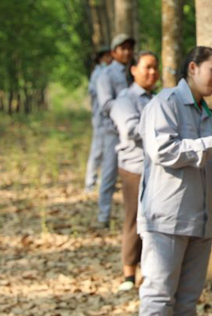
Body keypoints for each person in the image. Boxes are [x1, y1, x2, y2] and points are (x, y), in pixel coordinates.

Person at [137, 46, 212, 316]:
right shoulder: (166, 103)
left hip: (200, 221)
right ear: (193, 68)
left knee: (187, 301)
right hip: (166, 219)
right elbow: (162, 150)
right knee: (159, 298)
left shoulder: (209, 115)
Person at [109, 50, 160, 292]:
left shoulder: (158, 99)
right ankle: (128, 273)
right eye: (146, 67)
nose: (152, 72)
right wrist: (163, 130)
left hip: (158, 167)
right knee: (134, 218)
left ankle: (148, 270)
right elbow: (130, 129)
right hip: (134, 168)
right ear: (133, 70)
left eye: (155, 68)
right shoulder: (125, 99)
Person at [94, 33, 135, 227]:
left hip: (134, 132)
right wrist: (126, 111)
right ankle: (104, 216)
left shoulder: (133, 72)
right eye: (123, 48)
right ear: (114, 52)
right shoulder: (106, 75)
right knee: (109, 173)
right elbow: (106, 103)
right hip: (113, 131)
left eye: (129, 48)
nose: (127, 52)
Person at [84, 45, 113, 193]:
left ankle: (101, 181)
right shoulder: (99, 73)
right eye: (106, 56)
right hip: (100, 120)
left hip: (107, 121)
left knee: (106, 152)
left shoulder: (107, 72)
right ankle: (90, 183)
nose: (109, 59)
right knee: (97, 151)